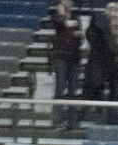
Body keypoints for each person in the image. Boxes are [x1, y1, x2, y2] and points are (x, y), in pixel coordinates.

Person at [48, 2, 83, 130]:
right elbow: (59, 25)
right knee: (60, 88)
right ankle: (57, 121)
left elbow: (81, 36)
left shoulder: (76, 17)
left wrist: (79, 35)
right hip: (61, 58)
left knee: (73, 91)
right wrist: (62, 14)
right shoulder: (57, 17)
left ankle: (72, 122)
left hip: (74, 58)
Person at [82, 6, 118, 124]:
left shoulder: (108, 33)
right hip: (97, 66)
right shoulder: (96, 30)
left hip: (105, 66)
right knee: (92, 90)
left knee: (98, 91)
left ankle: (102, 118)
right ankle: (84, 115)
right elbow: (90, 35)